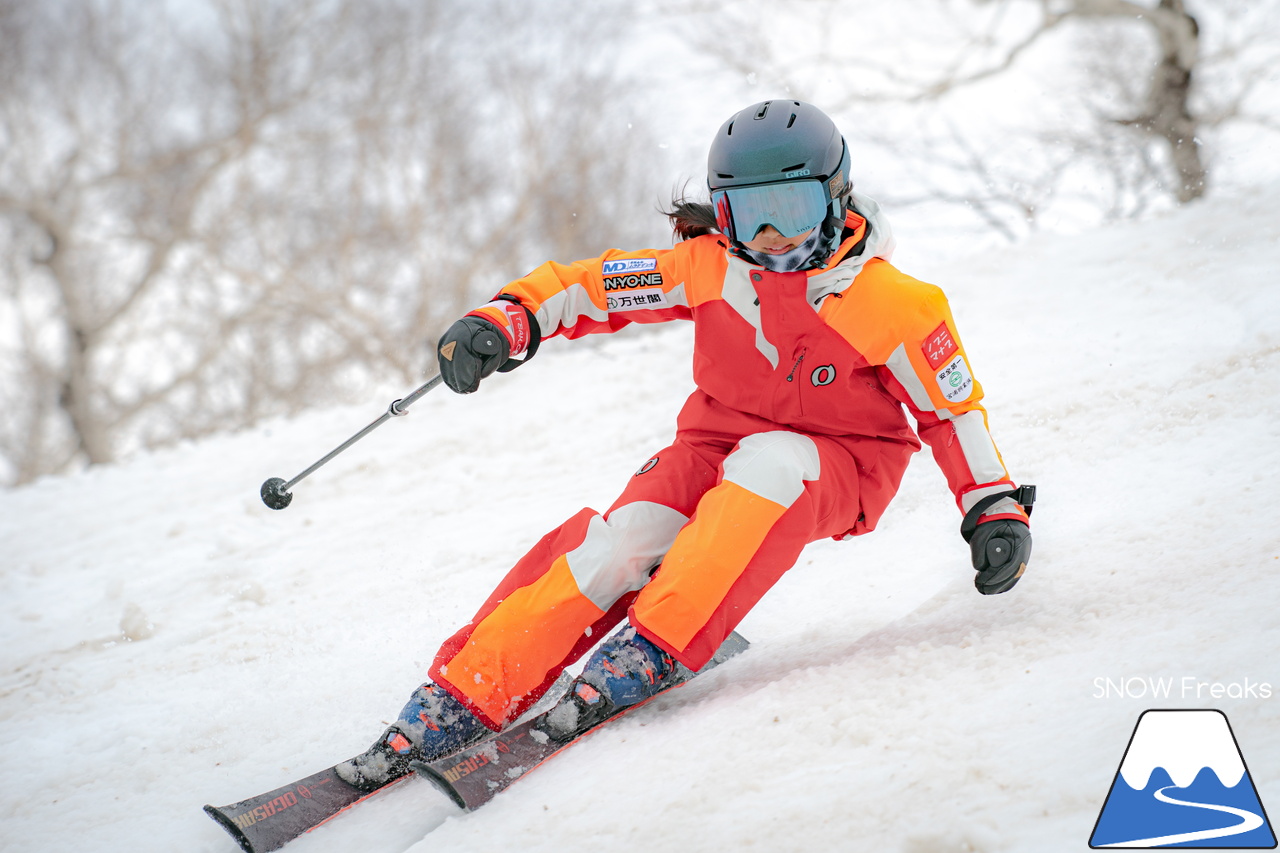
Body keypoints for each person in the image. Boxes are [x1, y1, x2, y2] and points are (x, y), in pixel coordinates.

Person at [337, 100, 1034, 790]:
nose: (768, 236)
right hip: (714, 442)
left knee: (773, 465)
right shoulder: (709, 266)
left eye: (790, 210)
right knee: (621, 539)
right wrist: (510, 316)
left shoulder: (897, 304)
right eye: (744, 214)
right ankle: (469, 688)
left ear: (835, 199)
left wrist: (994, 505)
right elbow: (592, 288)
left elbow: (953, 413)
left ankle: (656, 642)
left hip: (842, 463)